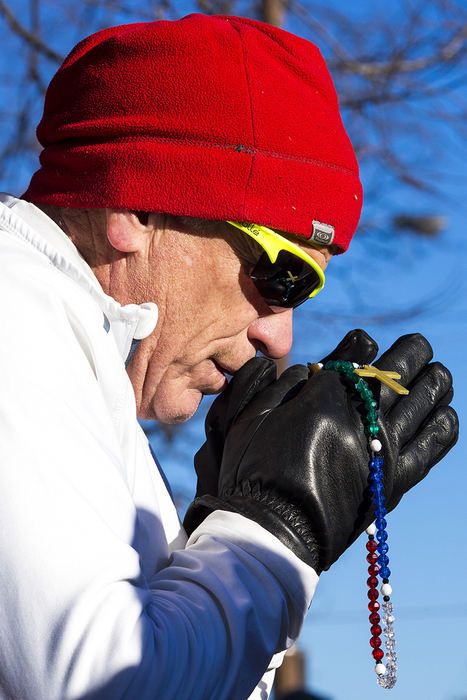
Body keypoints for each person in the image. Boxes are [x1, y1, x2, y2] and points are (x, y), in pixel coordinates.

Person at [0, 13, 457, 700]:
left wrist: (209, 533)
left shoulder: (80, 365)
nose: (280, 338)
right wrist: (273, 529)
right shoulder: (16, 312)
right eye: (282, 275)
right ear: (138, 207)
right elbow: (100, 686)